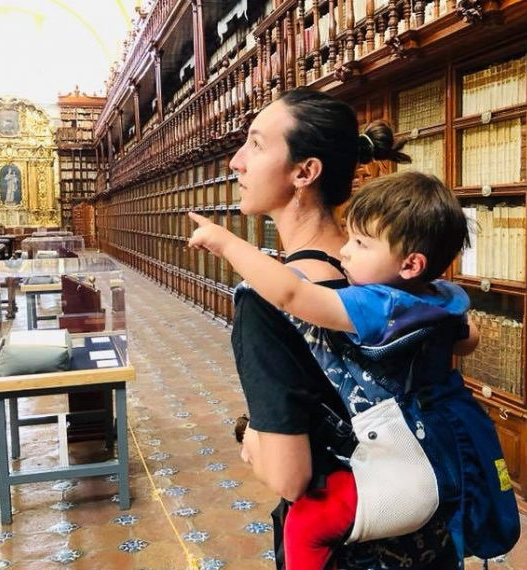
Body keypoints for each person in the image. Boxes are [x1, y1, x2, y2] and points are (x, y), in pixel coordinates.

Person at [193, 87, 461, 570]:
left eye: (255, 144)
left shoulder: (265, 302)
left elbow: (289, 477)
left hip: (349, 545)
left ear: (304, 172)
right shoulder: (402, 283)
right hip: (431, 538)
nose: (236, 161)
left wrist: (253, 437)